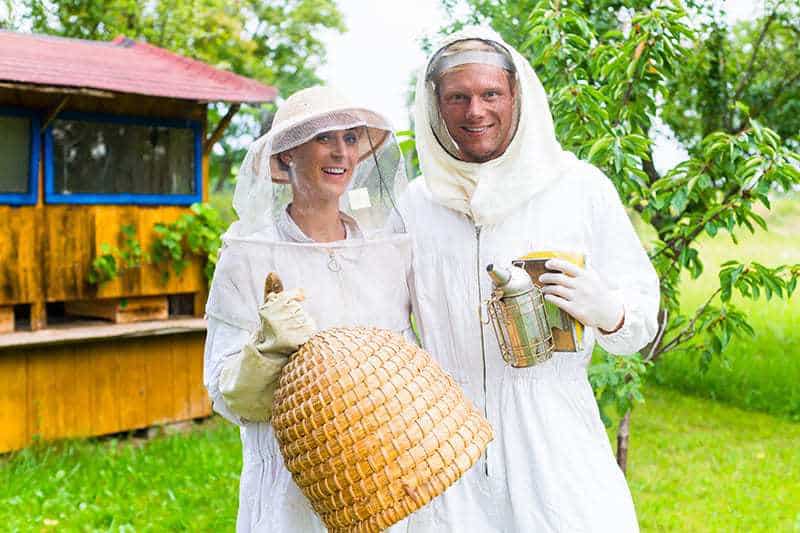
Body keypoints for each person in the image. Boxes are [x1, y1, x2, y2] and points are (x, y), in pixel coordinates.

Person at [397, 27, 660, 532]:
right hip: (444, 445)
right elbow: (384, 324)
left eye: (490, 93)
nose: (476, 112)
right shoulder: (414, 204)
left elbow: (641, 317)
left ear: (517, 96)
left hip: (555, 434)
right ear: (435, 105)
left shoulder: (579, 188)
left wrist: (610, 310)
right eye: (458, 97)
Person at [203, 86, 415, 532]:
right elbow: (226, 395)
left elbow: (405, 362)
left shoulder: (386, 253)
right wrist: (265, 351)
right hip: (288, 488)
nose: (341, 152)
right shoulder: (248, 255)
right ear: (285, 157)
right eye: (324, 138)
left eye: (351, 138)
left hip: (381, 480)